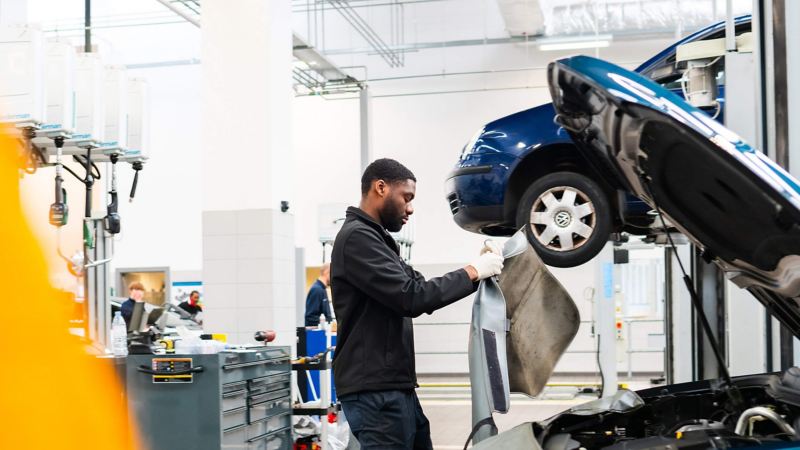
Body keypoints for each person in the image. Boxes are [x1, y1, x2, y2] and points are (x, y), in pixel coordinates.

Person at [331, 158, 504, 449]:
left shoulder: (378, 239)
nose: (410, 208)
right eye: (406, 198)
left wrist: (476, 269)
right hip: (376, 393)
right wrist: (473, 271)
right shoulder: (357, 239)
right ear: (381, 188)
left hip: (395, 388)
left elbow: (421, 287)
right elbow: (411, 297)